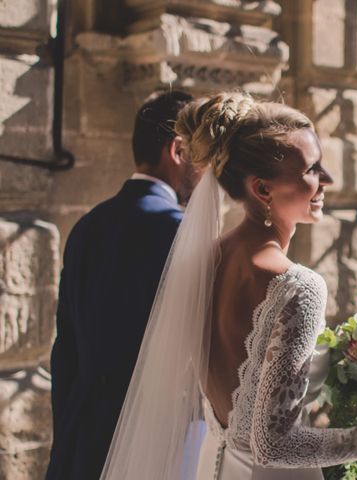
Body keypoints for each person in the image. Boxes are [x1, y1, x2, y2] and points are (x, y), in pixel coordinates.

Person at [99, 93, 357, 480]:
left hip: (214, 465)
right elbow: (274, 445)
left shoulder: (203, 262)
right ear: (262, 189)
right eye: (311, 169)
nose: (327, 180)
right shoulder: (298, 286)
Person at [45, 90, 198, 480]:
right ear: (177, 149)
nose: (205, 170)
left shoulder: (87, 225)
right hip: (149, 440)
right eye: (201, 156)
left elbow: (65, 352)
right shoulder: (178, 232)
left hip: (83, 437)